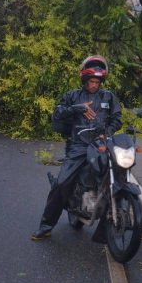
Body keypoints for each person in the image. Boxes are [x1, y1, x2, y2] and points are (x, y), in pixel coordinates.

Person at [31, 55, 122, 241]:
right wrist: (76, 108)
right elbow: (57, 113)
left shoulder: (109, 97)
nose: (94, 85)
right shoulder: (72, 96)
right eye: (91, 81)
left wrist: (108, 132)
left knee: (117, 172)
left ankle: (111, 215)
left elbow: (116, 119)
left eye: (97, 81)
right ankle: (46, 226)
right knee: (62, 183)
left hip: (101, 145)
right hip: (78, 146)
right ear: (84, 80)